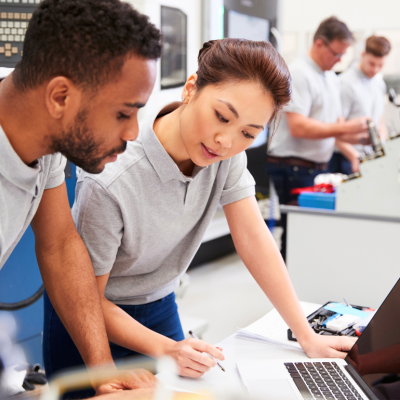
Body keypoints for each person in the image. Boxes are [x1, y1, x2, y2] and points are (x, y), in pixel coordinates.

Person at [45, 38, 356, 385]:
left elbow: (255, 240)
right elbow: (83, 295)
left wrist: (306, 335)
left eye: (248, 133)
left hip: (159, 304)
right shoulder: (113, 177)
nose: (226, 141)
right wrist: (166, 349)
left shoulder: (226, 157)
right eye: (221, 116)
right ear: (191, 88)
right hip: (91, 315)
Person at [0, 0, 162, 395]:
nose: (133, 133)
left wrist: (103, 369)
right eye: (124, 113)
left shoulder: (43, 137)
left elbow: (59, 243)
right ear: (60, 97)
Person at [265, 16, 369, 260]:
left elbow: (335, 126)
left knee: (312, 236)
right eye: (336, 53)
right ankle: (288, 288)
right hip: (292, 166)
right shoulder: (299, 74)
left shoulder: (330, 77)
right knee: (296, 235)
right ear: (320, 44)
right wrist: (346, 129)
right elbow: (299, 127)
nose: (340, 60)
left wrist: (361, 138)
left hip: (315, 167)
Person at [330, 35, 391, 175]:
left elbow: (379, 120)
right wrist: (354, 157)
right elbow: (332, 130)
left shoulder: (379, 83)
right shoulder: (346, 84)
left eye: (380, 65)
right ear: (362, 55)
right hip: (345, 158)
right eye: (372, 63)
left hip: (369, 156)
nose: (375, 69)